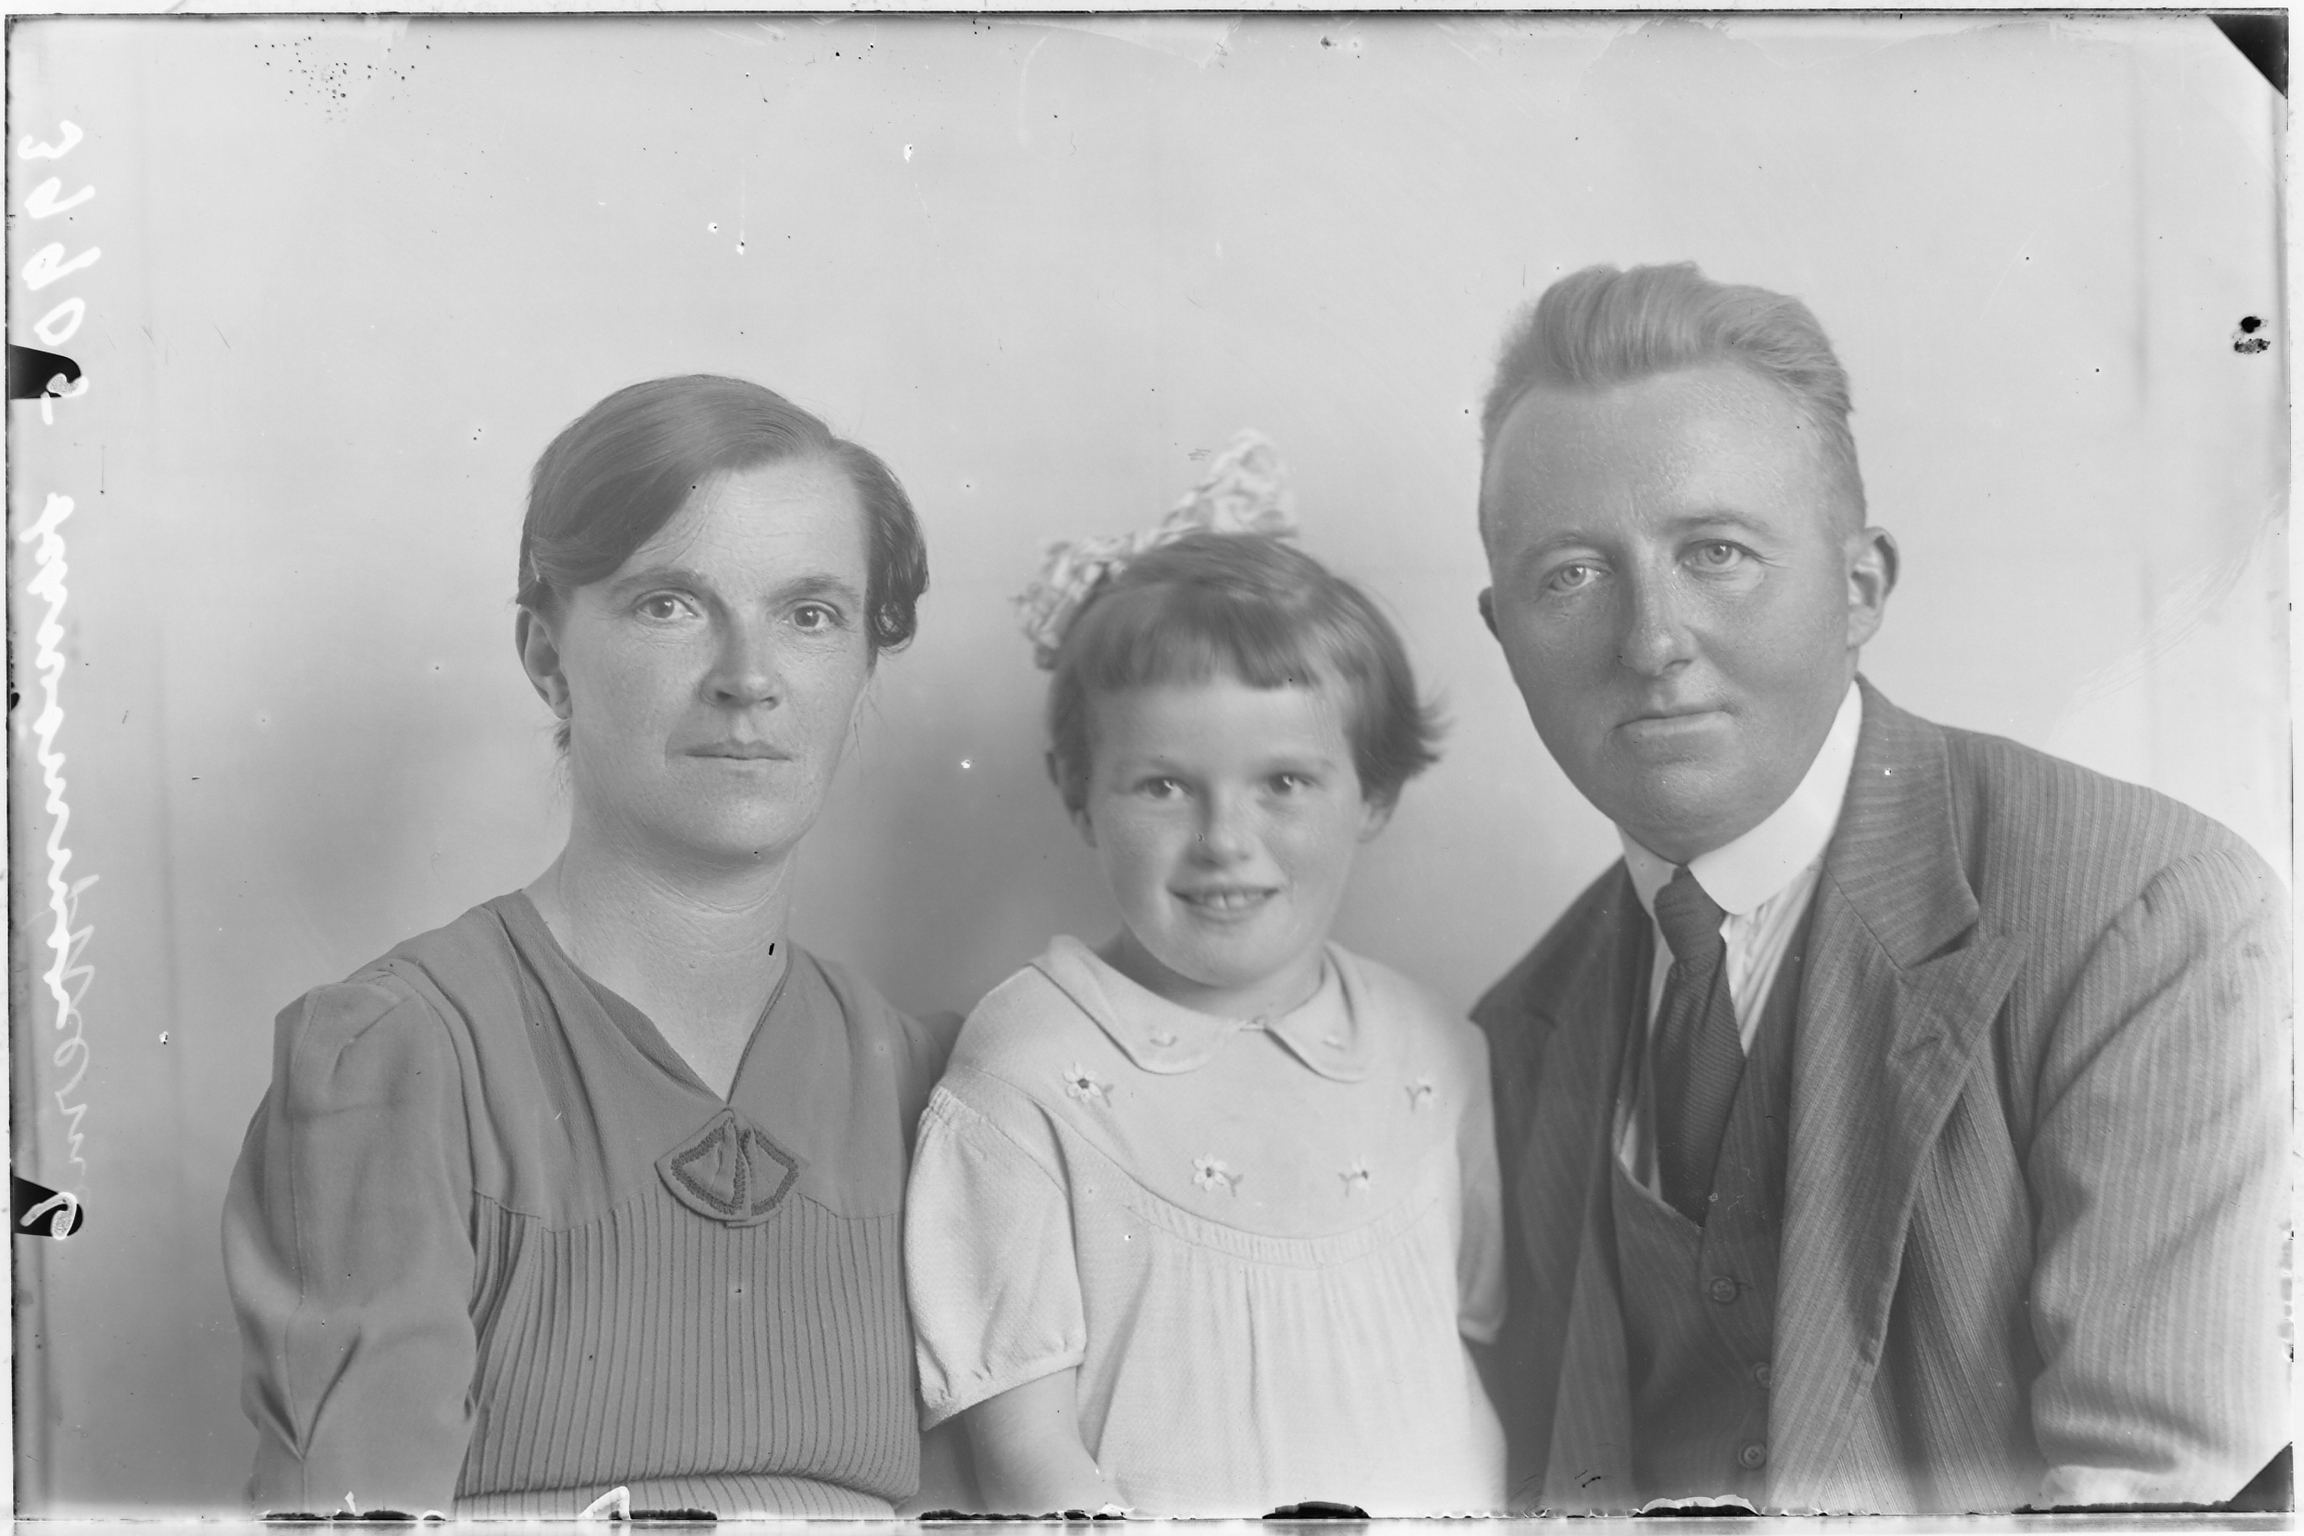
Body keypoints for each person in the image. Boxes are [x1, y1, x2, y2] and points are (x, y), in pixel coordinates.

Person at [1471, 263, 2289, 1515]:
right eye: (1572, 575)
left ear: (1861, 588)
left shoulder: (2146, 915)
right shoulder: (1520, 1030)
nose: (1652, 642)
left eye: (1717, 552)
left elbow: (2161, 1507)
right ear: (1502, 633)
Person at [222, 375, 956, 1517]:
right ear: (547, 656)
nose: (749, 679)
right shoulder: (400, 1062)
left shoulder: (925, 1083)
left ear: (864, 663)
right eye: (670, 605)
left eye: (810, 615)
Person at [904, 435, 1507, 1516]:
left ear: (1373, 793)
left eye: (1284, 782)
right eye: (1165, 787)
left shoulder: (1436, 1053)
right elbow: (1026, 1461)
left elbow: (1475, 1364)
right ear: (1079, 793)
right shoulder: (1028, 1070)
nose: (1226, 840)